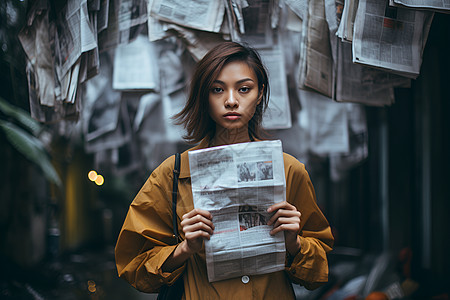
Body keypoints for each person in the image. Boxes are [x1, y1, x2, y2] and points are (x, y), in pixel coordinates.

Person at [115, 42, 334, 299]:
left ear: (260, 93)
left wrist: (294, 243)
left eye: (244, 89)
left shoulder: (289, 170)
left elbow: (318, 273)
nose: (231, 101)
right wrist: (184, 249)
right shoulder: (172, 174)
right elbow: (134, 267)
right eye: (217, 90)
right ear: (203, 96)